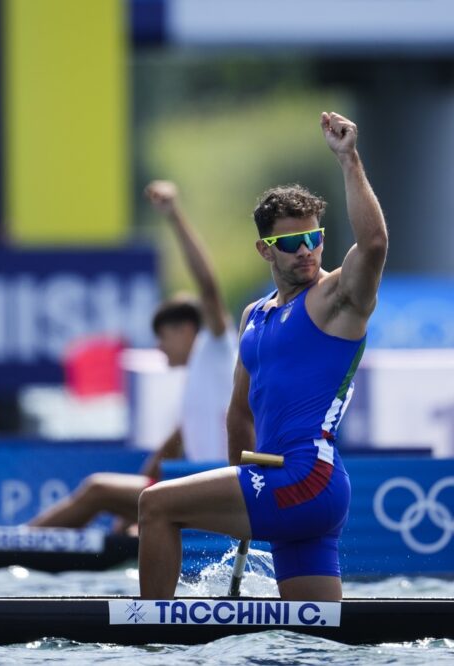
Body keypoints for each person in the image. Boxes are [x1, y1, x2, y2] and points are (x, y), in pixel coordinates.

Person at [137, 111, 388, 602]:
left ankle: (149, 643)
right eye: (290, 243)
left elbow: (374, 244)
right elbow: (239, 413)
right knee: (313, 642)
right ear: (264, 250)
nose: (306, 251)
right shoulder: (255, 316)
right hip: (288, 487)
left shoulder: (336, 300)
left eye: (314, 239)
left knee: (154, 507)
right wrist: (240, 482)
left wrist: (349, 158)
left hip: (308, 478)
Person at [28, 181, 237, 530]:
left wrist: (174, 216)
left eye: (162, 337)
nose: (158, 348)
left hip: (216, 496)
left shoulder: (216, 347)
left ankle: (18, 544)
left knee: (97, 489)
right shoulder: (200, 382)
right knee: (114, 499)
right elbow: (165, 454)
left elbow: (208, 286)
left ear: (186, 330)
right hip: (196, 488)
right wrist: (126, 520)